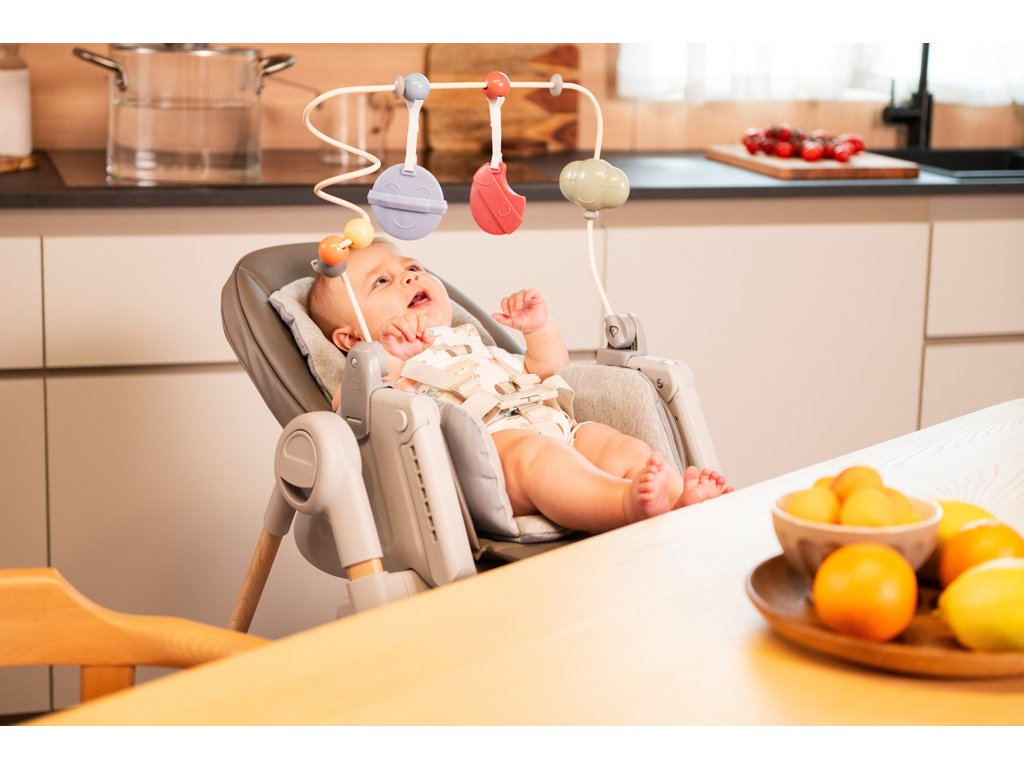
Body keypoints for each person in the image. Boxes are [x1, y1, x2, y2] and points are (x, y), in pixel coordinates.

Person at [309, 239, 731, 534]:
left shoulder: (473, 342)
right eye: (381, 282)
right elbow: (353, 409)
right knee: (538, 456)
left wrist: (539, 330)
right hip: (490, 461)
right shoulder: (379, 367)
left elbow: (548, 373)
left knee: (617, 444)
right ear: (350, 338)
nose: (408, 278)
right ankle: (626, 504)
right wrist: (387, 355)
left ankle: (677, 498)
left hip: (557, 428)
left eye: (412, 268)